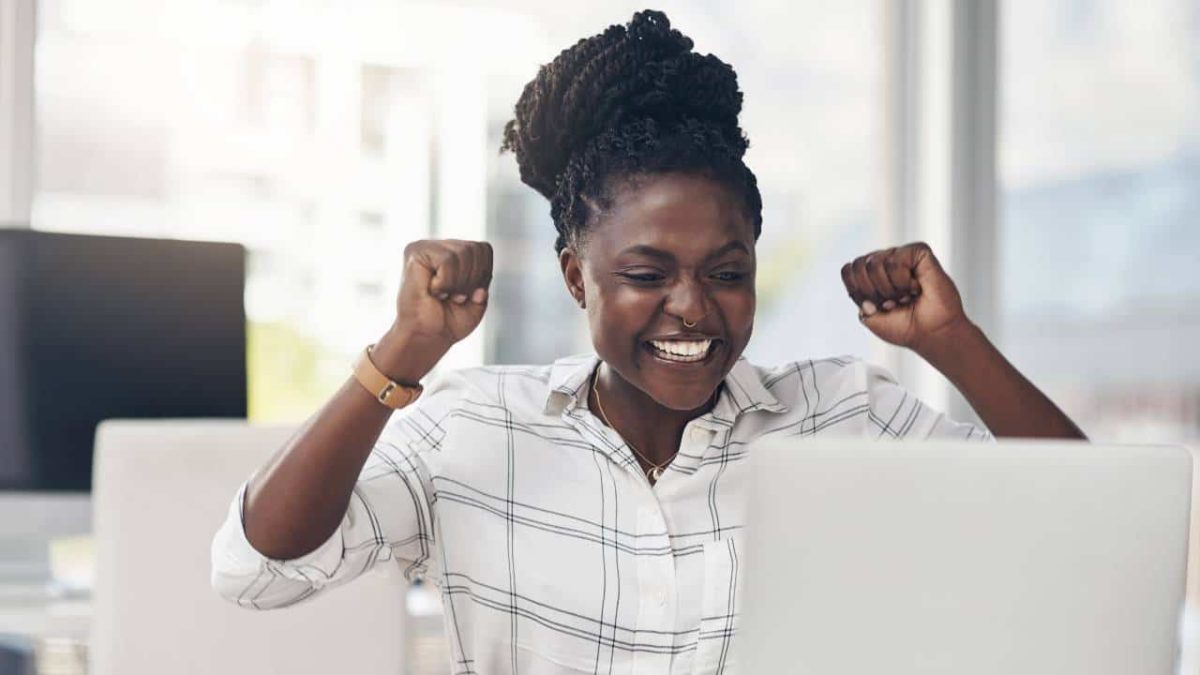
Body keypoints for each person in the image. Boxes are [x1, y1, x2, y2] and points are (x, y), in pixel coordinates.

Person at [211, 9, 1085, 673]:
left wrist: (952, 340)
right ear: (573, 276)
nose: (692, 308)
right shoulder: (473, 426)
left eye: (727, 271)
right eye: (645, 273)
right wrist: (399, 353)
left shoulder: (845, 412)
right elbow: (257, 571)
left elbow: (1087, 525)